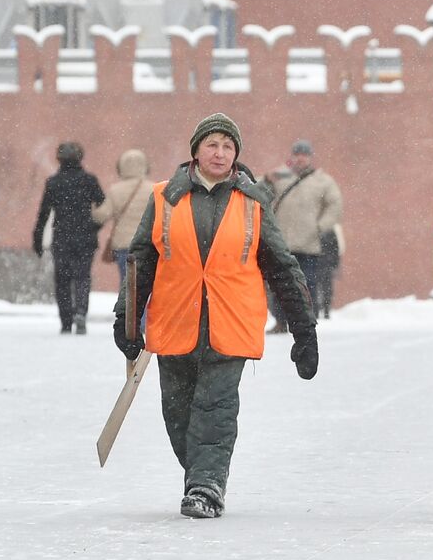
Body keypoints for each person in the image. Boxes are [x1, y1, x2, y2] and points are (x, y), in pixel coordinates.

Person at [112, 113, 319, 519]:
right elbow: (141, 262)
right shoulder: (164, 198)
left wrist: (304, 329)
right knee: (178, 413)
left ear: (236, 154)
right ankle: (200, 477)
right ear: (196, 151)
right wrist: (127, 317)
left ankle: (206, 486)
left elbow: (281, 266)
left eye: (228, 146)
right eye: (212, 145)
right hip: (175, 322)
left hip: (231, 324)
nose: (220, 153)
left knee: (216, 407)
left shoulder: (254, 201)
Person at [266, 139, 343, 332]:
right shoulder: (281, 175)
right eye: (297, 154)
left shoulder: (322, 180)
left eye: (304, 155)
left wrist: (321, 226)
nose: (300, 158)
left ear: (310, 157)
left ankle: (304, 322)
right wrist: (269, 179)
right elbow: (261, 191)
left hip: (309, 245)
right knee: (280, 285)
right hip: (282, 244)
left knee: (306, 284)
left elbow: (335, 205)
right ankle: (281, 321)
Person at [32, 141, 105, 334]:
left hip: (62, 237)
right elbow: (103, 206)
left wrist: (37, 240)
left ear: (59, 159)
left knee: (62, 279)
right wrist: (94, 226)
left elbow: (43, 214)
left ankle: (66, 320)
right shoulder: (89, 180)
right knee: (82, 277)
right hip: (85, 237)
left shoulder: (54, 183)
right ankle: (80, 311)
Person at [91, 148, 155, 292]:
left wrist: (91, 207)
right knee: (145, 286)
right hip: (147, 244)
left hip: (123, 245)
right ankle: (143, 314)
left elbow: (101, 216)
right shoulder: (154, 188)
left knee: (127, 284)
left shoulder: (116, 190)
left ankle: (128, 313)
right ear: (145, 165)